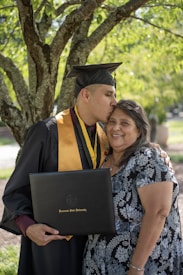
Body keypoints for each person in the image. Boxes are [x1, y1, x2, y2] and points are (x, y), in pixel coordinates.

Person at [0, 62, 122, 275]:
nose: (115, 102)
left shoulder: (105, 137)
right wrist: (29, 227)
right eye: (108, 95)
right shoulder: (47, 132)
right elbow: (16, 191)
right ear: (86, 95)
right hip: (53, 245)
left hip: (94, 246)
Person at [83, 99, 183, 275]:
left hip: (141, 266)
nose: (116, 128)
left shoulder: (148, 158)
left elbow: (158, 213)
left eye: (125, 123)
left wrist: (137, 267)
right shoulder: (104, 160)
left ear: (139, 130)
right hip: (99, 264)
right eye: (111, 122)